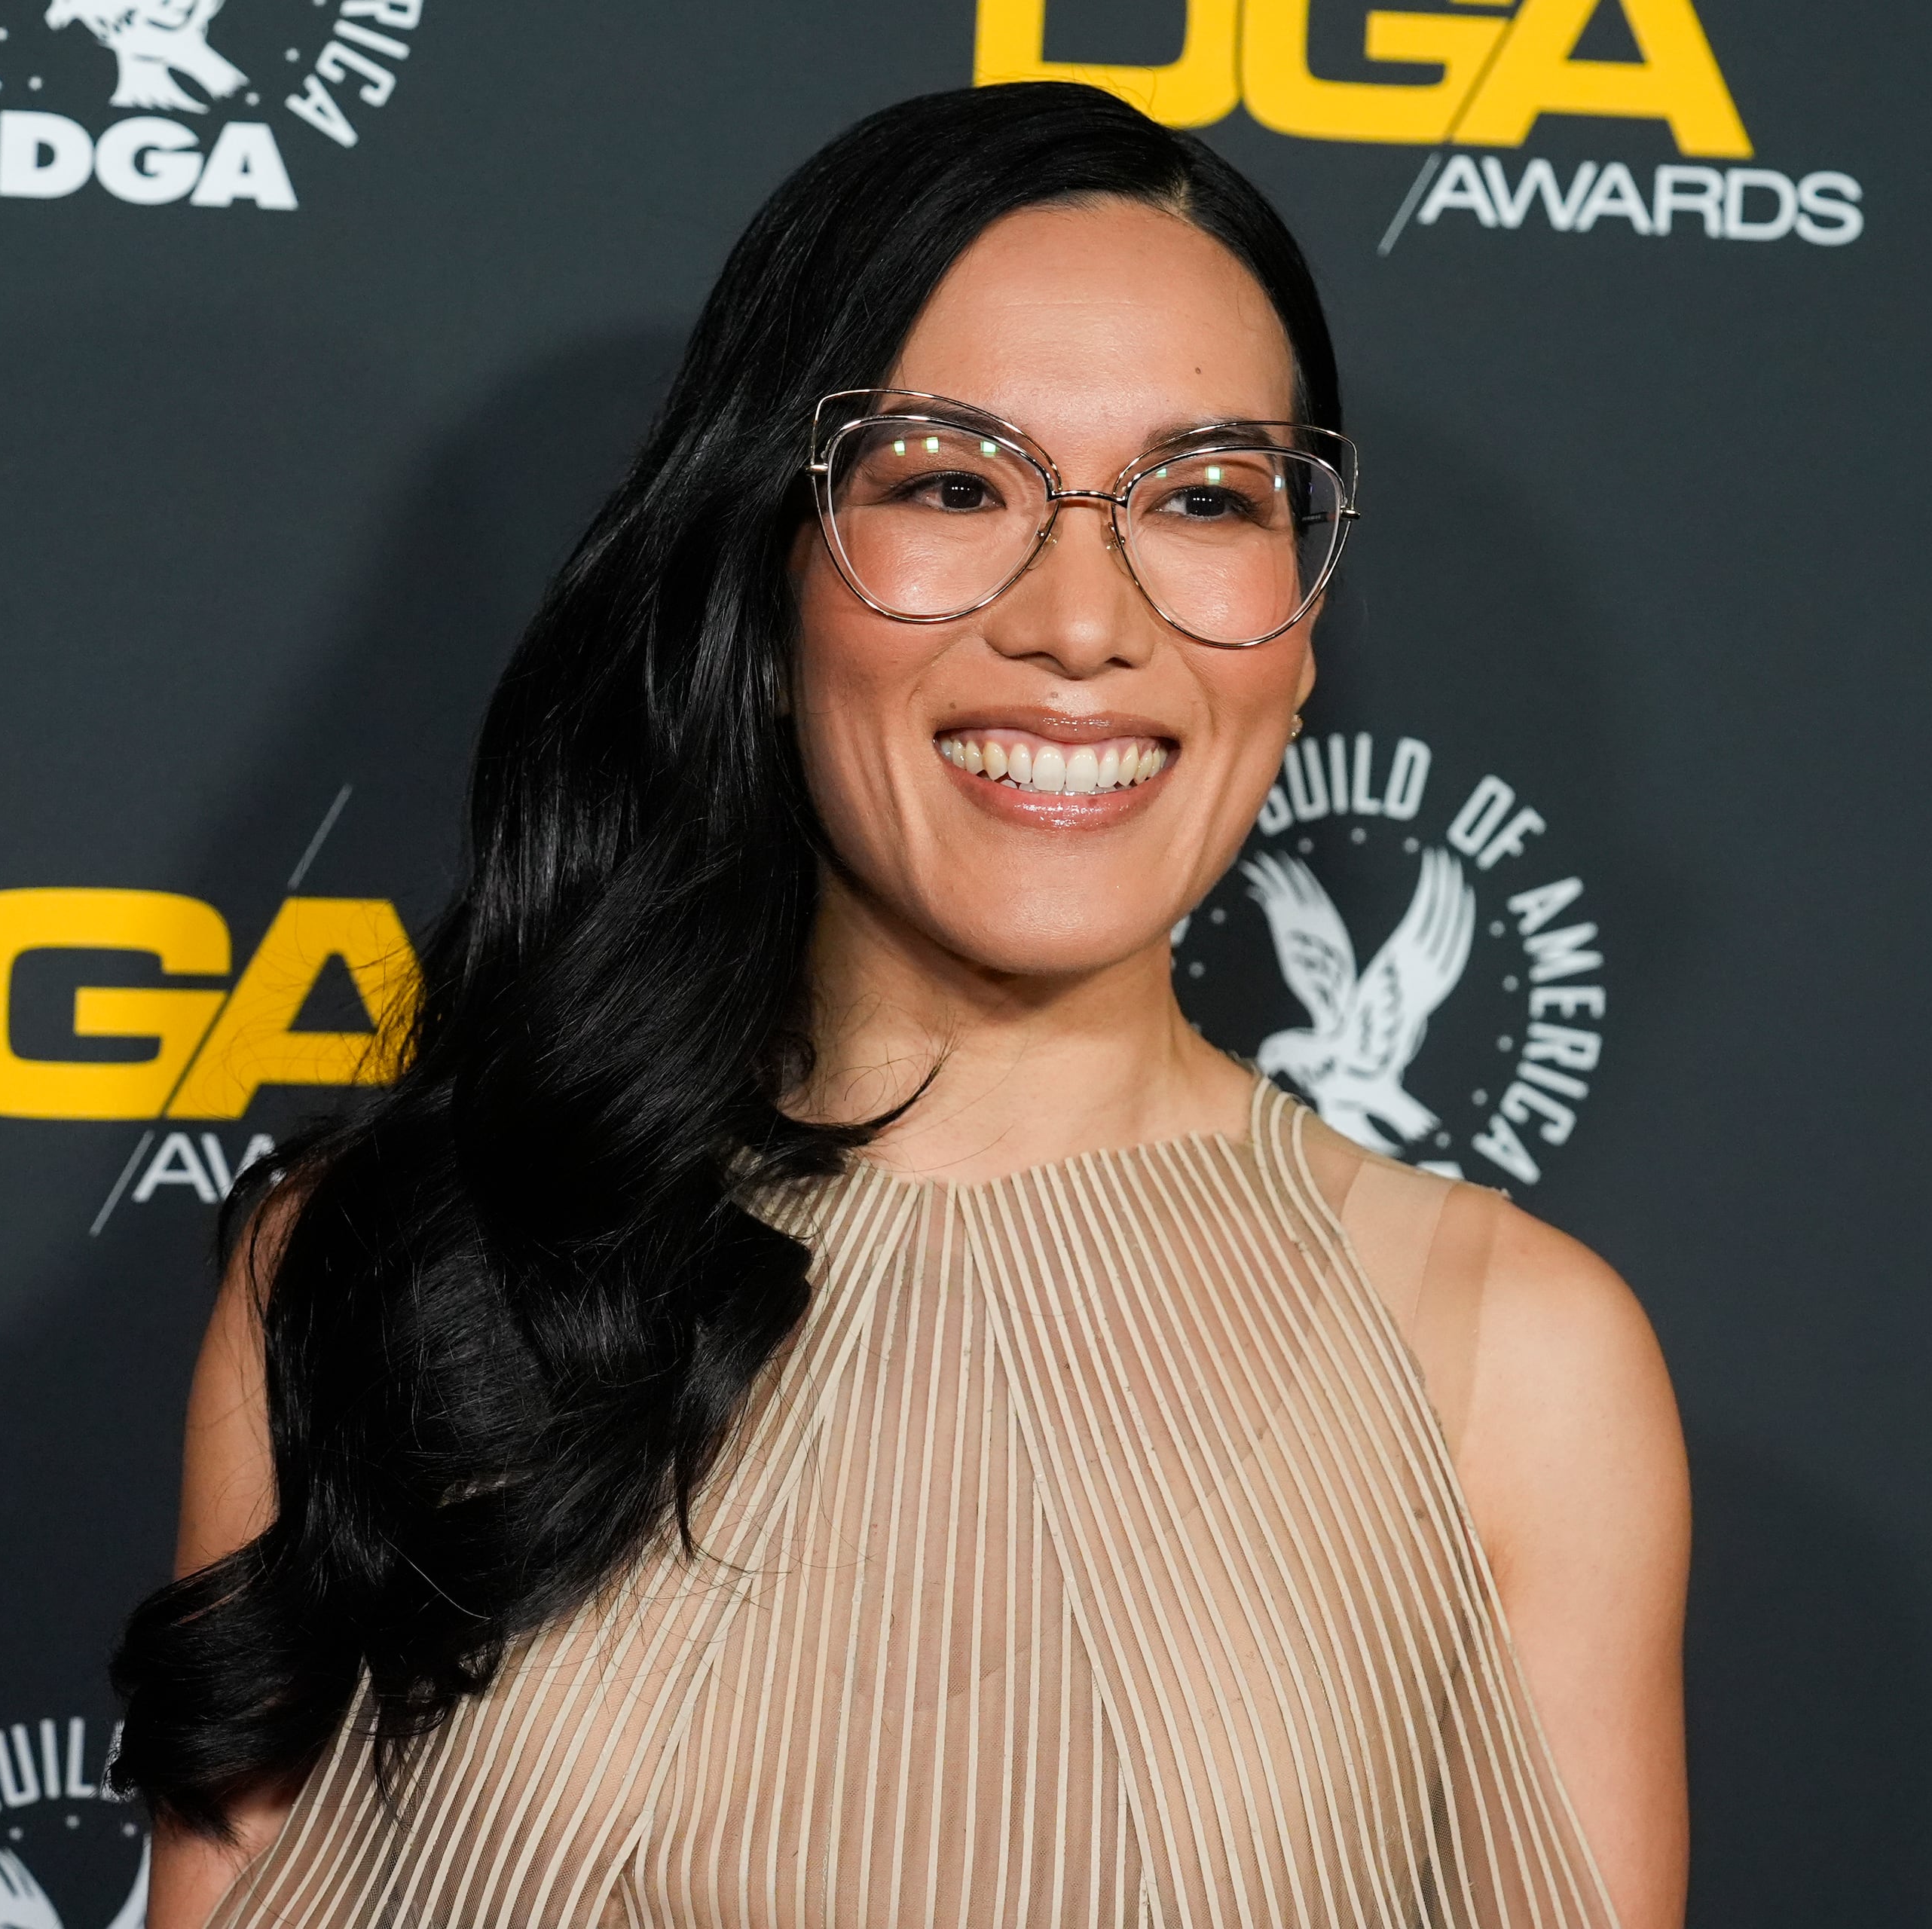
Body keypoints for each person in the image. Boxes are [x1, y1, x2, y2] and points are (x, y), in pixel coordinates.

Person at [112, 81, 1689, 1929]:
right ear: (766, 569)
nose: (1083, 618)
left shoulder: (1520, 1370)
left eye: (1204, 497)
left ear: (1301, 612)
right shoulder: (390, 1270)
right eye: (953, 482)